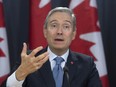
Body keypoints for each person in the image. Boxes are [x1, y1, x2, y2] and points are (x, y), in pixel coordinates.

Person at [1, 7, 102, 87]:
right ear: (45, 31)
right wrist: (20, 73)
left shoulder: (86, 64)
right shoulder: (30, 60)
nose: (59, 31)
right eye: (54, 25)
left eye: (66, 26)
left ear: (73, 34)